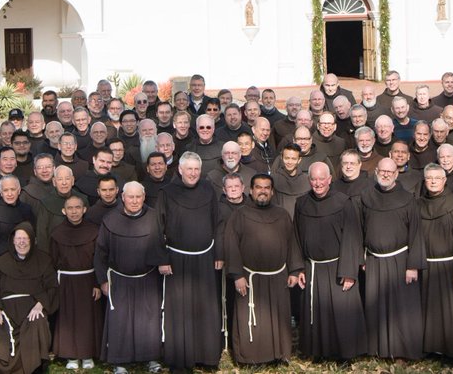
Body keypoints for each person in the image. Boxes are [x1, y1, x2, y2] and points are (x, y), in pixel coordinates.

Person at [224, 173, 304, 365]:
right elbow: (231, 245)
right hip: (249, 278)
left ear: (272, 191)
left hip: (277, 277)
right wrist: (237, 275)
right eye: (258, 187)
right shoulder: (239, 215)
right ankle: (250, 357)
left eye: (266, 187)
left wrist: (294, 271)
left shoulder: (282, 215)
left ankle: (278, 355)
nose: (262, 191)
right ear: (250, 191)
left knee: (277, 318)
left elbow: (292, 243)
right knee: (251, 319)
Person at [156, 153, 224, 373]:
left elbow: (217, 223)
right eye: (189, 169)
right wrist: (162, 259)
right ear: (180, 170)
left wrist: (218, 253)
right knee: (180, 311)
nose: (193, 173)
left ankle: (207, 356)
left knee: (205, 307)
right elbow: (158, 227)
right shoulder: (167, 192)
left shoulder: (208, 190)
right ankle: (180, 358)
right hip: (176, 260)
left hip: (205, 257)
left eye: (197, 169)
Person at [293, 162, 367, 361]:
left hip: (338, 267)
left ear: (329, 179)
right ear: (309, 180)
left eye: (321, 179)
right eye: (313, 179)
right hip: (313, 267)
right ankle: (319, 351)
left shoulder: (344, 202)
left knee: (342, 314)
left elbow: (352, 238)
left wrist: (349, 273)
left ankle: (345, 354)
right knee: (317, 313)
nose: (317, 184)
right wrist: (298, 267)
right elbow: (296, 238)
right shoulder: (301, 203)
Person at [355, 157, 425, 359]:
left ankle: (403, 350)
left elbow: (416, 233)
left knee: (401, 308)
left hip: (401, 261)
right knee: (376, 305)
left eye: (390, 172)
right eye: (382, 171)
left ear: (396, 174)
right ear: (376, 171)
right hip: (374, 261)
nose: (385, 174)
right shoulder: (366, 197)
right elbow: (358, 229)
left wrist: (413, 266)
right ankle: (378, 349)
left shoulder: (407, 198)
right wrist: (362, 257)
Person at [95, 182, 165, 374]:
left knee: (149, 320)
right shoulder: (110, 220)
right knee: (121, 321)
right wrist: (102, 280)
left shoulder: (154, 218)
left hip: (148, 279)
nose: (134, 201)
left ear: (144, 197)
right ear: (123, 197)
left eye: (138, 197)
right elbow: (100, 253)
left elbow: (163, 245)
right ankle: (120, 361)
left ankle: (151, 359)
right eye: (130, 197)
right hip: (119, 280)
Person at [0, 223, 58, 374]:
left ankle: (34, 367)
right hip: (6, 310)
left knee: (38, 323)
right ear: (13, 241)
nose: (22, 242)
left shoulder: (44, 260)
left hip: (31, 309)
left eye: (26, 239)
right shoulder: (2, 261)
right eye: (18, 238)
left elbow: (52, 287)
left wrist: (41, 304)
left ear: (32, 240)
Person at [418, 164, 453, 361]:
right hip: (427, 265)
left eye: (437, 178)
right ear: (425, 181)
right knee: (429, 308)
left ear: (444, 180)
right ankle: (432, 348)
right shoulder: (418, 204)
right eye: (429, 178)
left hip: (450, 265)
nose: (433, 181)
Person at [50, 195, 103, 371]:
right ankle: (71, 355)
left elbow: (99, 259)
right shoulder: (57, 233)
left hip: (88, 280)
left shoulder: (94, 231)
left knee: (87, 318)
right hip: (65, 281)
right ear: (64, 211)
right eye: (70, 208)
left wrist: (97, 282)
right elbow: (53, 259)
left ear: (84, 209)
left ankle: (87, 354)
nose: (74, 211)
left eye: (77, 207)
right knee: (68, 317)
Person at [0, 176, 35, 257]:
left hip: (26, 255)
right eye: (5, 190)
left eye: (13, 189)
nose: (9, 194)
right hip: (3, 258)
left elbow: (32, 235)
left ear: (19, 190)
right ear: (1, 192)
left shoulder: (27, 209)